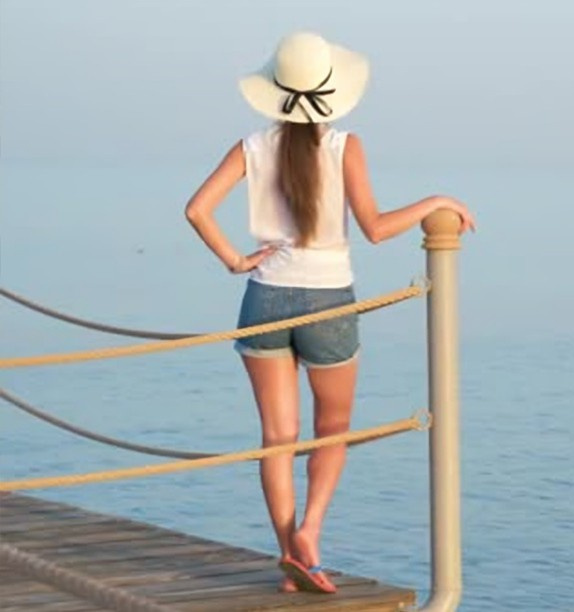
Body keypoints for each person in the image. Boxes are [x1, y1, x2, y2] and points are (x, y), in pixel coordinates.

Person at [184, 32, 475, 594]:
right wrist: (436, 200)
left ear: (275, 91)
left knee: (277, 437)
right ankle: (310, 533)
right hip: (329, 300)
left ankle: (289, 558)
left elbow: (197, 209)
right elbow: (376, 228)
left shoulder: (251, 146)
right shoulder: (344, 146)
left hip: (265, 298)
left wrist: (236, 260)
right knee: (332, 429)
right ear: (331, 91)